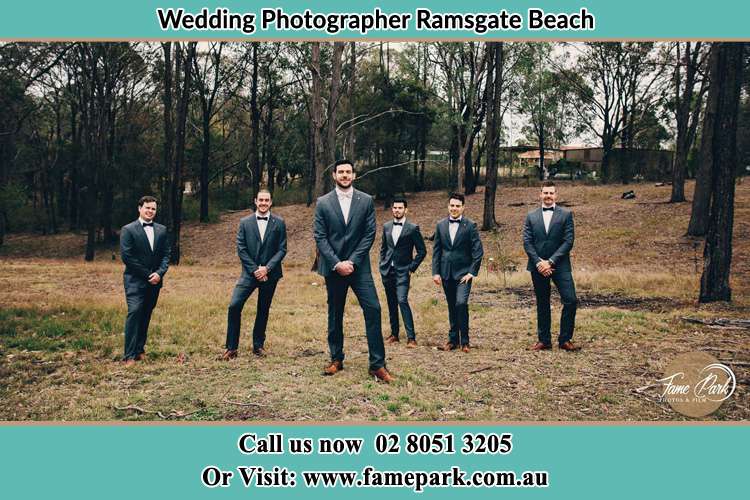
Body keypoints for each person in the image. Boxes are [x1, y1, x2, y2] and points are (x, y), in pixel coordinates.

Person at [313, 159, 394, 383]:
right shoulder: (323, 202)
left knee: (374, 309)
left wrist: (353, 262)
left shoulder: (366, 200)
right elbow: (320, 236)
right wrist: (337, 263)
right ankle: (336, 359)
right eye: (341, 172)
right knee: (335, 313)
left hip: (360, 268)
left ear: (354, 175)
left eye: (348, 172)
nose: (345, 175)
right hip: (334, 268)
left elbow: (369, 234)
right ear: (334, 176)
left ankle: (377, 365)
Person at [223, 189, 287, 360]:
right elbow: (241, 249)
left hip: (270, 274)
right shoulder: (244, 222)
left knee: (263, 309)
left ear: (271, 202)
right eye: (261, 200)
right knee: (234, 306)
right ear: (255, 201)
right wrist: (255, 270)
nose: (264, 203)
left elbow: (282, 249)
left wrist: (267, 268)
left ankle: (258, 346)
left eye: (267, 200)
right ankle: (231, 348)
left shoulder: (279, 222)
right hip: (249, 274)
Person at [523, 181, 580, 352]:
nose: (548, 196)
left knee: (570, 300)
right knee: (542, 302)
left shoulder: (566, 215)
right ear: (540, 194)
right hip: (537, 266)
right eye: (545, 193)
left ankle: (565, 339)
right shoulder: (531, 216)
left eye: (551, 193)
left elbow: (568, 241)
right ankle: (544, 340)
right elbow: (527, 242)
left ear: (556, 195)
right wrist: (539, 262)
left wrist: (551, 261)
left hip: (560, 265)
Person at [119, 196, 170, 366]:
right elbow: (127, 257)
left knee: (146, 314)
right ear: (139, 208)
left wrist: (159, 273)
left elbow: (166, 255)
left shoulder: (162, 230)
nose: (150, 211)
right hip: (135, 281)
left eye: (153, 209)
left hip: (155, 281)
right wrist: (148, 274)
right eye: (147, 208)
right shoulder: (128, 229)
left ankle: (140, 350)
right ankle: (129, 355)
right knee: (135, 313)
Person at [432, 193, 483, 353]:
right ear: (448, 206)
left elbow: (478, 251)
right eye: (452, 205)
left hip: (463, 275)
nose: (454, 208)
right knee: (452, 307)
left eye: (457, 206)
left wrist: (472, 272)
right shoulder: (440, 225)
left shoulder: (470, 225)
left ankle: (465, 341)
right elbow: (437, 251)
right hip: (446, 273)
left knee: (461, 303)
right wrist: (436, 272)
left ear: (463, 207)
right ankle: (453, 340)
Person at [379, 197, 427, 347]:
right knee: (391, 302)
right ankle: (394, 334)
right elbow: (384, 248)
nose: (397, 210)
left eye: (400, 208)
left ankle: (411, 338)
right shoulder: (386, 226)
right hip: (387, 270)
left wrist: (411, 267)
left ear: (406, 210)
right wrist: (382, 264)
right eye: (395, 208)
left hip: (403, 271)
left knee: (402, 300)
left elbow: (422, 251)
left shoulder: (412, 228)